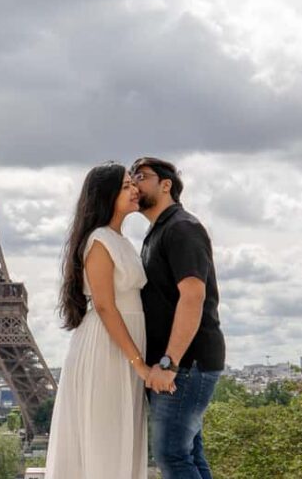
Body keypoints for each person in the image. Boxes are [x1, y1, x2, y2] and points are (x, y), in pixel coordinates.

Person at [45, 162, 152, 479]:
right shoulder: (100, 240)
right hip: (107, 347)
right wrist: (139, 364)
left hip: (122, 344)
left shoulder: (120, 240)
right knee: (106, 438)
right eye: (125, 186)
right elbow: (105, 306)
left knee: (117, 435)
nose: (135, 190)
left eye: (134, 183)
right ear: (106, 195)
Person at [132, 157, 226, 479]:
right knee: (188, 454)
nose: (134, 183)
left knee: (172, 454)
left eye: (141, 177)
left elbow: (193, 296)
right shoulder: (158, 232)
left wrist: (169, 362)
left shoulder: (181, 227)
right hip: (183, 362)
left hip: (185, 364)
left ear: (166, 184)